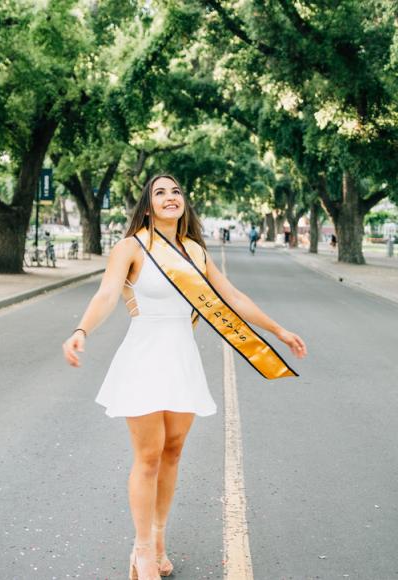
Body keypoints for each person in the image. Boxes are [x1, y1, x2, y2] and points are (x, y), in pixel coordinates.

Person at [62, 174, 307, 579]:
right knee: (147, 456)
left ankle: (159, 538)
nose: (170, 197)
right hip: (143, 358)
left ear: (184, 203)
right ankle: (141, 551)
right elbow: (106, 294)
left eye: (176, 191)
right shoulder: (132, 247)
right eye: (160, 192)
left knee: (173, 451)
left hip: (181, 359)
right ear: (147, 206)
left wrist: (278, 330)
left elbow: (232, 296)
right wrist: (80, 330)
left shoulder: (193, 250)